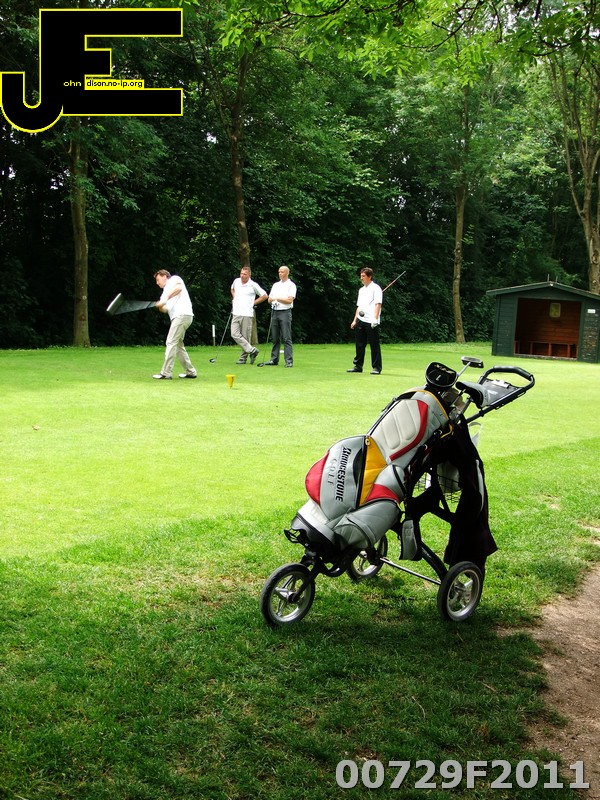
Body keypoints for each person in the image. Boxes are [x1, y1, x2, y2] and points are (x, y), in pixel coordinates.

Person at [152, 269, 197, 380]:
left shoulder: (174, 279)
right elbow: (166, 309)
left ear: (164, 276)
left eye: (158, 280)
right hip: (180, 317)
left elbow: (179, 288)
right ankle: (190, 372)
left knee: (171, 342)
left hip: (182, 315)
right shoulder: (164, 294)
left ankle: (166, 373)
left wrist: (165, 299)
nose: (157, 283)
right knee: (178, 345)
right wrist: (160, 306)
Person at [347, 267, 383, 375]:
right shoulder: (361, 290)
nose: (361, 278)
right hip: (361, 319)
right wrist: (355, 320)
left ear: (369, 276)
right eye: (361, 276)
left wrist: (375, 319)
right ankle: (358, 366)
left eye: (363, 276)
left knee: (374, 344)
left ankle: (376, 367)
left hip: (371, 321)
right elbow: (359, 306)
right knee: (359, 344)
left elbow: (378, 305)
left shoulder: (376, 288)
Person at [261, 265, 297, 367]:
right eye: (279, 272)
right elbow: (269, 299)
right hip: (275, 311)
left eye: (282, 272)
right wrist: (273, 299)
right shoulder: (276, 285)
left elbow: (289, 300)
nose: (280, 273)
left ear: (287, 273)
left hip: (285, 312)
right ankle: (274, 359)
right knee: (275, 337)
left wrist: (277, 298)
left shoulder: (291, 285)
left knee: (286, 337)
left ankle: (289, 361)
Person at [230, 267, 267, 364]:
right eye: (241, 273)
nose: (242, 276)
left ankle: (243, 359)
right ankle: (252, 350)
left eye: (244, 274)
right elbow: (232, 289)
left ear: (249, 275)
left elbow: (264, 295)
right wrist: (234, 297)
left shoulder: (253, 285)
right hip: (236, 312)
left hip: (247, 314)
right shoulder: (236, 281)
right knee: (234, 334)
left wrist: (253, 303)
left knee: (245, 336)